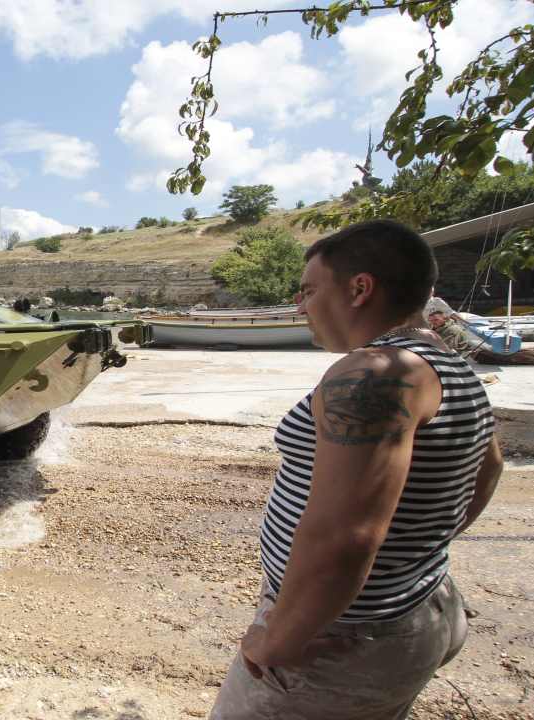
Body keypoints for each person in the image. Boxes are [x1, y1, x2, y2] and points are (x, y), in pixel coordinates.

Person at [211, 219, 503, 719]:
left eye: (308, 291)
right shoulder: (449, 364)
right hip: (420, 603)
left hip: (339, 641)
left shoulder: (374, 375)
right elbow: (489, 468)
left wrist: (278, 639)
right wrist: (414, 553)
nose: (300, 307)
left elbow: (346, 536)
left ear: (359, 288)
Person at [425, 298, 534, 365]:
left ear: (444, 318)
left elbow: (449, 352)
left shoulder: (450, 330)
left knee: (511, 359)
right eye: (431, 320)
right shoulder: (438, 329)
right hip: (474, 353)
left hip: (476, 355)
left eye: (435, 319)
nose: (433, 322)